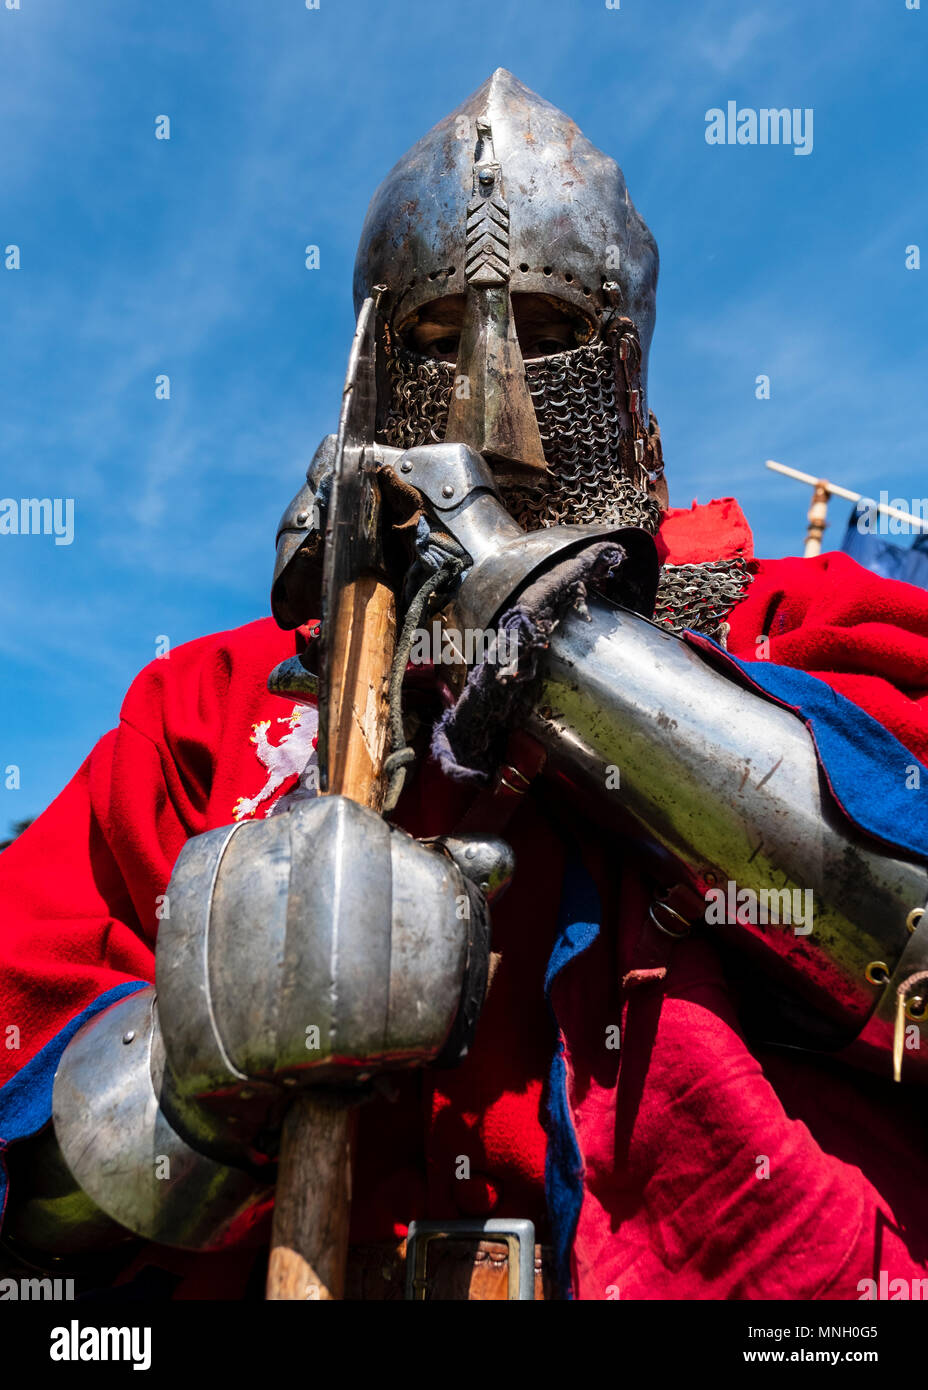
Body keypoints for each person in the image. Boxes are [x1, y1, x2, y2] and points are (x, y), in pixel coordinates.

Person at [2, 69, 927, 1303]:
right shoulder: (209, 710)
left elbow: (909, 954)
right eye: (433, 343)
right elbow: (28, 1167)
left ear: (630, 393)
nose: (494, 410)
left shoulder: (795, 637)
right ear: (370, 381)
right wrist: (191, 1071)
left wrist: (566, 660)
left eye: (549, 338)